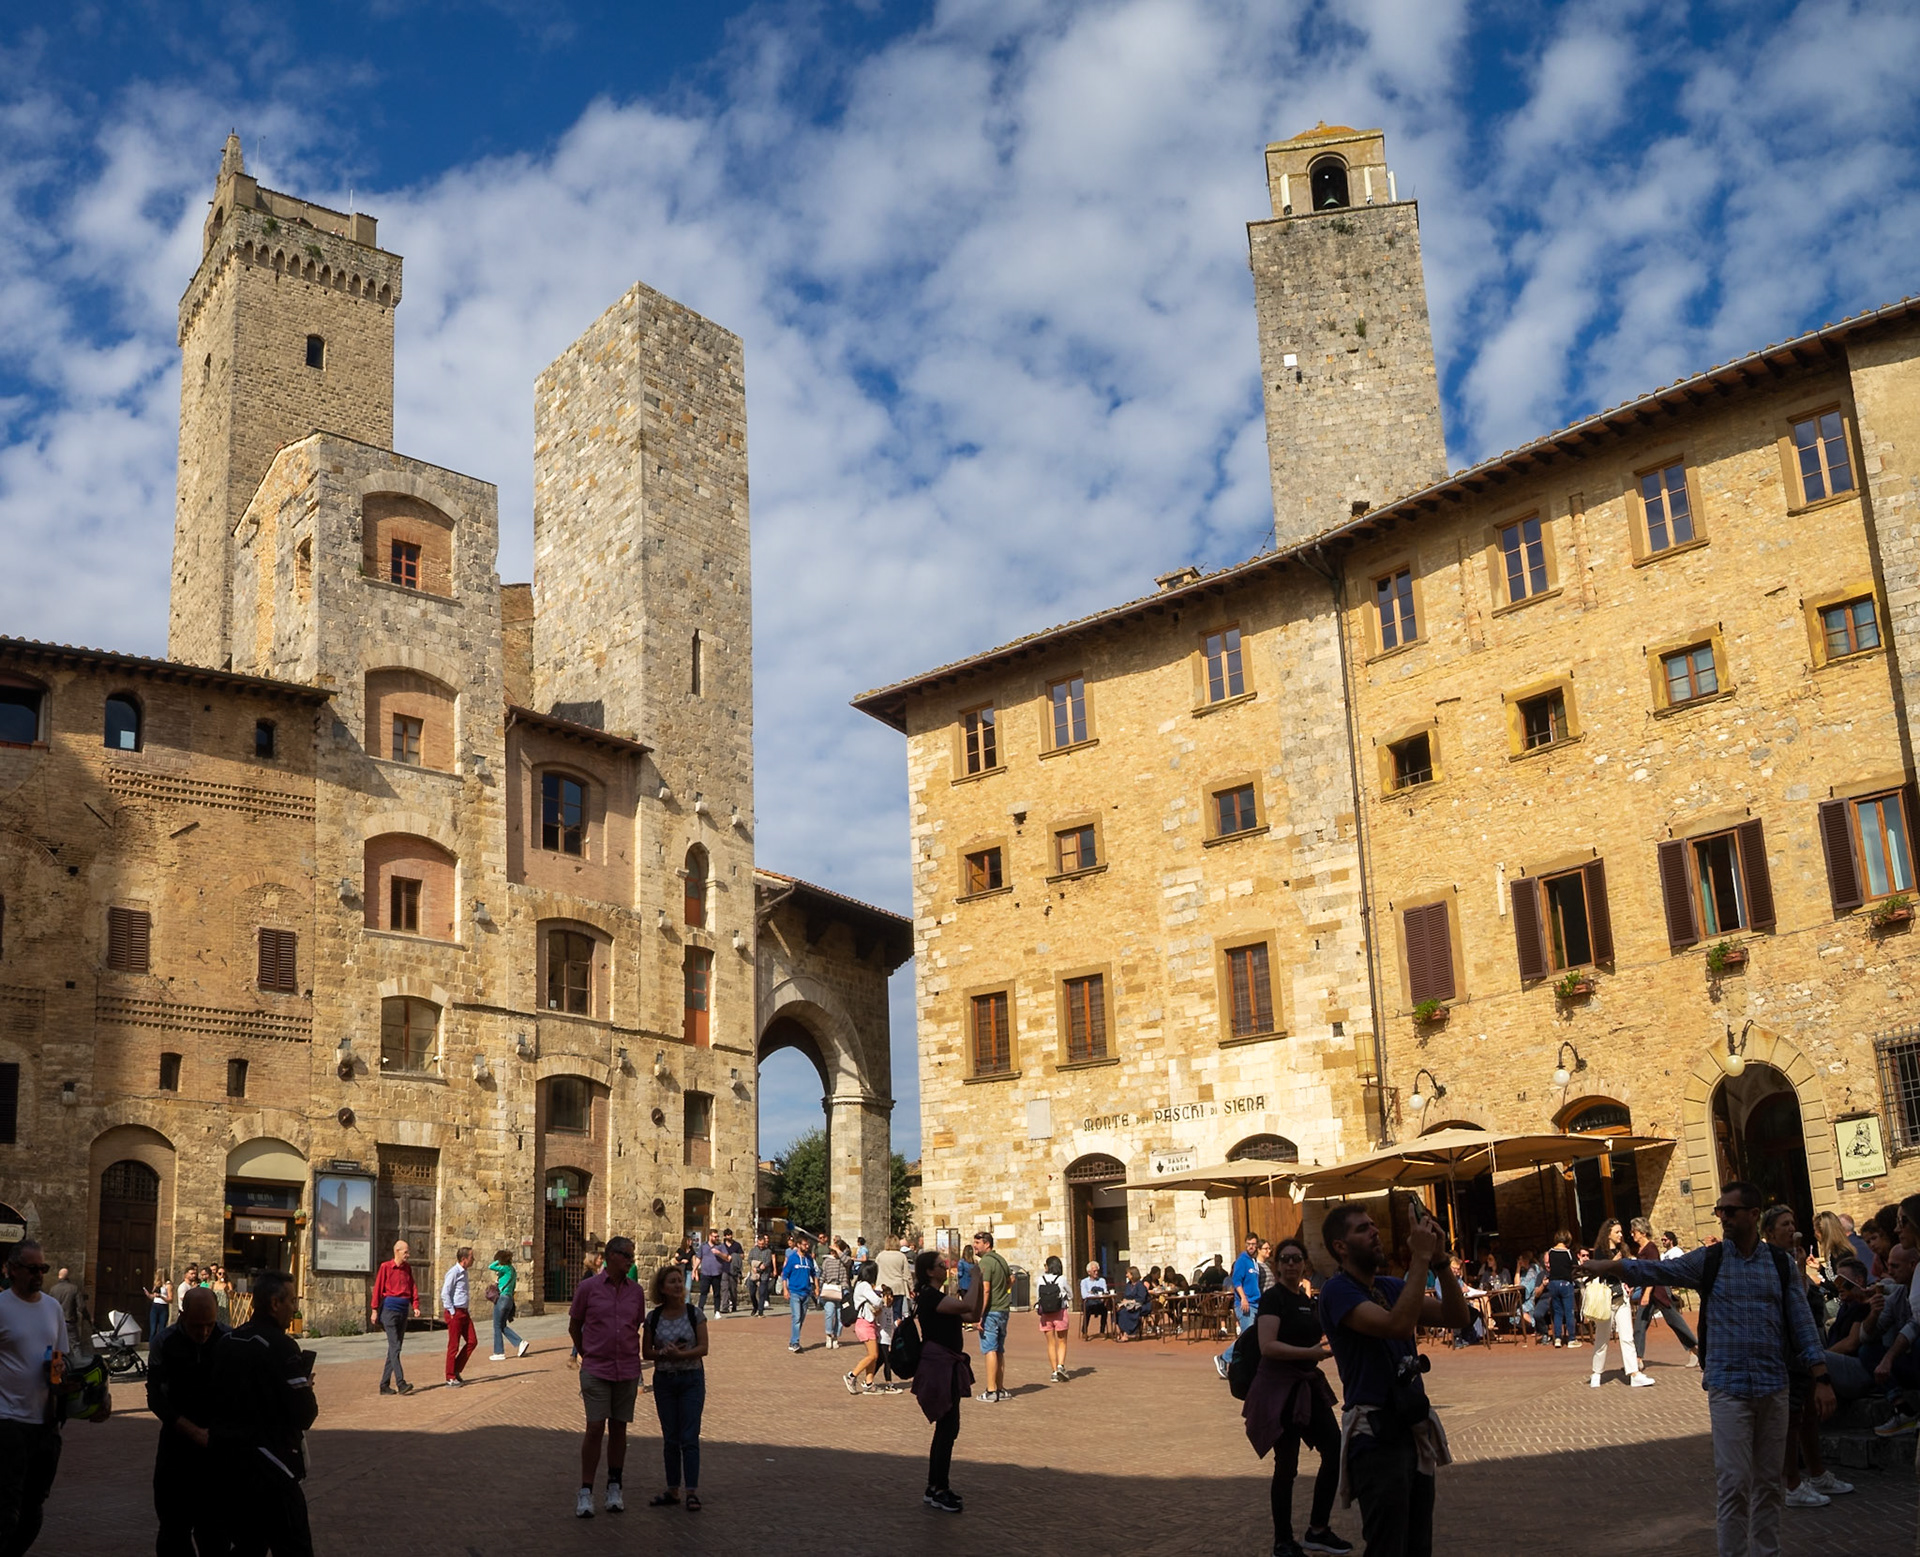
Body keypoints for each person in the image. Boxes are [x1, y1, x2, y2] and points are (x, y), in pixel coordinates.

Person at [1584, 1180, 1834, 1557]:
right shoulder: (1710, 1260)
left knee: (1769, 1484)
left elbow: (1801, 1323)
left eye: (1730, 1211)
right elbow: (1656, 1271)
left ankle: (1766, 1552)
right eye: (1719, 1211)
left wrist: (1821, 1377)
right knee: (1734, 1484)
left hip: (1773, 1386)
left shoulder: (1780, 1263)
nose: (1723, 1218)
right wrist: (1609, 1265)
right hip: (1728, 1389)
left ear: (1753, 1215)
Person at [1318, 1201, 1471, 1557]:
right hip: (1375, 1437)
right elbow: (1397, 1325)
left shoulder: (1389, 1287)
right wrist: (1420, 1257)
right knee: (1388, 1546)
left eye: (1373, 1225)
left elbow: (1457, 1316)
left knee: (1418, 1545)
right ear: (1341, 1246)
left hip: (1410, 1428)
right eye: (1362, 1229)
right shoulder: (1336, 1291)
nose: (1374, 1232)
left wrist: (1440, 1261)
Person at [1244, 1238, 1351, 1557]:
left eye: (1296, 1258)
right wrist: (1310, 1353)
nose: (1291, 1264)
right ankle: (1283, 1540)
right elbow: (1267, 1346)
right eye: (1285, 1259)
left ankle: (1318, 1529)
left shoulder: (1305, 1299)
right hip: (1281, 1391)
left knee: (1334, 1448)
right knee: (1287, 1465)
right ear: (1277, 1266)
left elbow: (1316, 1334)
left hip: (1307, 1385)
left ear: (1305, 1264)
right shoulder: (1273, 1299)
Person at [210, 1271, 317, 1557]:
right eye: (291, 1300)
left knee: (248, 1545)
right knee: (293, 1547)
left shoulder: (228, 1341)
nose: (294, 1308)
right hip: (272, 1467)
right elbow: (305, 1413)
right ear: (274, 1303)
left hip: (230, 1466)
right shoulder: (281, 1346)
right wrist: (304, 1388)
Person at [1759, 1206, 1850, 1508]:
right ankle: (1793, 1484)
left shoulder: (1790, 1258)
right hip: (1786, 1349)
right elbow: (1791, 1300)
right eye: (1784, 1224)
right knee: (1792, 1415)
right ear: (1769, 1232)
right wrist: (1799, 1270)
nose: (1791, 1229)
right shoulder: (1771, 1262)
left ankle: (1817, 1472)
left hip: (1805, 1348)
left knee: (1809, 1413)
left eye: (1792, 1223)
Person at [0, 1241, 79, 1557]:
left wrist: (61, 1372)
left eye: (43, 1269)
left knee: (33, 1506)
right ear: (13, 1269)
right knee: (6, 1506)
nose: (38, 1275)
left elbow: (61, 1357)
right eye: (32, 1269)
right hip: (7, 1420)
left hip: (45, 1423)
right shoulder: (1, 1306)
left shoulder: (52, 1308)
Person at [568, 1235, 646, 1518]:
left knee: (619, 1428)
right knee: (594, 1427)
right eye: (627, 1255)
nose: (631, 1261)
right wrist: (586, 1353)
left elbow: (635, 1325)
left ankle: (614, 1485)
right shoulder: (588, 1288)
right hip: (597, 1369)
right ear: (612, 1255)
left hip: (626, 1369)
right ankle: (586, 1490)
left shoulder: (636, 1292)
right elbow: (575, 1325)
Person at [149, 1285, 228, 1557]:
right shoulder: (165, 1342)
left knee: (215, 1532)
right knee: (173, 1529)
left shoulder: (228, 1341)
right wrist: (191, 1430)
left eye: (210, 1325)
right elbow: (156, 1398)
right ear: (182, 1316)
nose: (204, 1332)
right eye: (196, 1326)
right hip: (177, 1445)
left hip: (216, 1448)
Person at [911, 1246, 985, 1512]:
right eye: (941, 1265)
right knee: (946, 1427)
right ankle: (938, 1488)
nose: (946, 1268)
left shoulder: (937, 1296)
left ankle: (936, 1486)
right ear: (930, 1271)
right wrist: (975, 1279)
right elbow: (966, 1306)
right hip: (940, 1366)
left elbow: (972, 1315)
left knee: (947, 1428)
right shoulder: (930, 1296)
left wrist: (979, 1285)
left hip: (947, 1365)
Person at [641, 1262, 708, 1511]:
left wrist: (682, 1355)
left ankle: (691, 1491)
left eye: (680, 1280)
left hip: (691, 1379)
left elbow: (704, 1348)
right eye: (672, 1281)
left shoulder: (694, 1314)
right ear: (662, 1288)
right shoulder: (653, 1318)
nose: (678, 1285)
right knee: (670, 1438)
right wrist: (663, 1353)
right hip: (665, 1381)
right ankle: (672, 1490)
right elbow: (646, 1352)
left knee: (689, 1437)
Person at [1585, 1219, 1655, 1388]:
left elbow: (1626, 1272)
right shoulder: (1600, 1252)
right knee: (1602, 1338)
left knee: (1627, 1337)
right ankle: (1596, 1372)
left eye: (1621, 1232)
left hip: (1621, 1297)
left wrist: (1629, 1283)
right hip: (1605, 1298)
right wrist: (1614, 1262)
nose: (1620, 1235)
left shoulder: (1622, 1249)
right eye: (1617, 1232)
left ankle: (1634, 1374)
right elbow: (1599, 1272)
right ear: (1608, 1233)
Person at [1628, 1217, 1698, 1368]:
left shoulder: (1651, 1248)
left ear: (1642, 1232)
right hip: (1647, 1291)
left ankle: (1694, 1349)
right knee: (1640, 1324)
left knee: (1675, 1321)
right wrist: (1634, 1286)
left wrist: (1647, 1293)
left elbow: (1654, 1272)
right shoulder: (1640, 1250)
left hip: (1658, 1291)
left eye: (1634, 1231)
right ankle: (1637, 1358)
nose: (1632, 1234)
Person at [369, 1240, 417, 1396]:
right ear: (397, 1251)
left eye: (408, 1252)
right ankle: (401, 1383)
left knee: (394, 1348)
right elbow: (378, 1289)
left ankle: (384, 1385)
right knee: (395, 1347)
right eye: (405, 1252)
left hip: (403, 1311)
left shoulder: (407, 1268)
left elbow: (412, 1287)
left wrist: (415, 1305)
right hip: (389, 1311)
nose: (408, 1255)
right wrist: (374, 1310)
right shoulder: (386, 1267)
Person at [971, 1229, 1013, 1401]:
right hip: (1003, 1310)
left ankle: (990, 1390)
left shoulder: (986, 1262)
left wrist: (979, 1315)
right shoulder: (1001, 1260)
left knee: (990, 1349)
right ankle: (1000, 1388)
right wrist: (1003, 1292)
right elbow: (1011, 1279)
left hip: (991, 1311)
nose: (974, 1246)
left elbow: (986, 1289)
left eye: (977, 1243)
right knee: (999, 1350)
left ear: (987, 1244)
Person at [1216, 1233, 1264, 1380]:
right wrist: (1243, 1298)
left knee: (1252, 1337)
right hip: (1245, 1304)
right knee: (1247, 1336)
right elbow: (1236, 1281)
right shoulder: (1242, 1261)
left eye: (1253, 1244)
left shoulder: (1254, 1262)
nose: (1251, 1247)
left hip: (1255, 1303)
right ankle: (1224, 1358)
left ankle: (1246, 1365)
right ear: (1245, 1244)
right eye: (1248, 1244)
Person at [846, 1261, 886, 1394]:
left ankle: (869, 1382)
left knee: (873, 1355)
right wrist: (881, 1296)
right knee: (873, 1355)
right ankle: (852, 1375)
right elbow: (877, 1301)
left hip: (868, 1322)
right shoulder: (865, 1286)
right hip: (865, 1323)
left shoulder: (860, 1284)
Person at [440, 1246, 477, 1387]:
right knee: (453, 1345)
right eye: (471, 1257)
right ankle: (450, 1376)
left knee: (472, 1341)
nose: (473, 1259)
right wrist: (452, 1311)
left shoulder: (464, 1273)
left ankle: (456, 1369)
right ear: (464, 1259)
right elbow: (445, 1293)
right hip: (455, 1312)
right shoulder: (453, 1272)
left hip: (464, 1312)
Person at [486, 1249, 528, 1361]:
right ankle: (520, 1343)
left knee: (496, 1325)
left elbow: (491, 1266)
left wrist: (498, 1261)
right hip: (509, 1299)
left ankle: (499, 1352)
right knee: (502, 1325)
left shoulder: (504, 1268)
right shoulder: (512, 1270)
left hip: (502, 1299)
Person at [1036, 1255, 1071, 1381]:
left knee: (1051, 1343)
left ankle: (1054, 1372)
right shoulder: (1062, 1279)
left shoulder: (1040, 1279)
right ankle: (1061, 1365)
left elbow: (1038, 1297)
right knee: (1062, 1341)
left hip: (1046, 1314)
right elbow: (1070, 1294)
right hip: (1060, 1313)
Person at [781, 1234, 817, 1353]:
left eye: (808, 1244)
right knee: (796, 1317)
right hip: (794, 1292)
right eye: (805, 1244)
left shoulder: (809, 1259)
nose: (807, 1246)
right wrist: (785, 1289)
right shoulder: (792, 1258)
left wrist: (817, 1287)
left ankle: (792, 1341)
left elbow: (814, 1273)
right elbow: (785, 1275)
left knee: (801, 1318)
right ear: (798, 1245)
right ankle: (795, 1342)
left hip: (806, 1292)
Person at [818, 1238, 853, 1350]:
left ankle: (836, 1336)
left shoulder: (844, 1260)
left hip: (842, 1290)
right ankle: (828, 1335)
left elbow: (848, 1261)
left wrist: (839, 1251)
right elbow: (823, 1275)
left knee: (839, 1315)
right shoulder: (827, 1261)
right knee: (830, 1313)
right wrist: (819, 1287)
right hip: (830, 1289)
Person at [1543, 1232, 1576, 1348]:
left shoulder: (1551, 1252)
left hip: (1553, 1283)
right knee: (1569, 1312)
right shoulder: (1568, 1252)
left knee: (1557, 1312)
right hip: (1566, 1282)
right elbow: (1575, 1267)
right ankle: (1571, 1339)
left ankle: (1557, 1338)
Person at [695, 1231, 731, 1316]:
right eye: (715, 1237)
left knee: (717, 1293)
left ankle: (717, 1311)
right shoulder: (703, 1246)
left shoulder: (720, 1246)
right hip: (705, 1273)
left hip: (716, 1273)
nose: (716, 1238)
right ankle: (700, 1310)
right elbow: (699, 1258)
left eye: (717, 1236)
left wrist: (719, 1253)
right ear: (710, 1236)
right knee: (703, 1292)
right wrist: (694, 1270)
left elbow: (726, 1257)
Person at [877, 1238, 914, 1320]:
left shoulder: (880, 1255)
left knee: (884, 1313)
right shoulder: (901, 1256)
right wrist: (911, 1288)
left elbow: (876, 1270)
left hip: (883, 1287)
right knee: (897, 1313)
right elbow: (907, 1274)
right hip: (897, 1287)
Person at [1115, 1267, 1150, 1341]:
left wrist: (1130, 1301)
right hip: (1129, 1305)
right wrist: (1124, 1301)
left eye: (1128, 1273)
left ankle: (1126, 1333)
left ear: (1133, 1274)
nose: (1126, 1275)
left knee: (1125, 1312)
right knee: (1118, 1311)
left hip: (1141, 1305)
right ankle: (1121, 1331)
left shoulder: (1140, 1285)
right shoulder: (1129, 1284)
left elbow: (1142, 1299)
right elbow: (1126, 1296)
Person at [746, 1235, 775, 1318]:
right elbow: (749, 1260)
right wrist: (753, 1267)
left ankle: (760, 1311)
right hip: (754, 1275)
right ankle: (755, 1306)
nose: (761, 1246)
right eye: (759, 1244)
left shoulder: (768, 1251)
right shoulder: (753, 1250)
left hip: (764, 1275)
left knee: (762, 1293)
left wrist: (761, 1267)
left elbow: (767, 1262)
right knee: (752, 1293)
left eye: (762, 1244)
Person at [1080, 1262, 1109, 1339]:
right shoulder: (1084, 1282)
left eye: (1097, 1271)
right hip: (1089, 1304)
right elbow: (1084, 1295)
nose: (1096, 1273)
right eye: (1094, 1271)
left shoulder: (1102, 1280)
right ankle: (1084, 1332)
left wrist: (1092, 1293)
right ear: (1089, 1272)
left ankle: (1102, 1331)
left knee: (1104, 1309)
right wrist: (1097, 1295)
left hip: (1099, 1303)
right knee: (1087, 1308)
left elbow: (1105, 1292)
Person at [146, 1268, 174, 1342]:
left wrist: (161, 1296)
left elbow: (170, 1299)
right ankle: (152, 1345)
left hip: (163, 1307)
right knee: (153, 1329)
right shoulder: (157, 1284)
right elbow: (153, 1296)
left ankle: (161, 1345)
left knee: (162, 1329)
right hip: (155, 1306)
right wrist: (149, 1295)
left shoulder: (168, 1285)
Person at [720, 1230, 744, 1314]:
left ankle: (734, 1304)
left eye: (730, 1235)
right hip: (724, 1269)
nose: (729, 1236)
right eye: (727, 1235)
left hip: (734, 1270)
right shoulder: (721, 1246)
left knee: (733, 1289)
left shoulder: (737, 1245)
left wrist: (734, 1256)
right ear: (725, 1236)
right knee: (724, 1288)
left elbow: (742, 1255)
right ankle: (724, 1307)